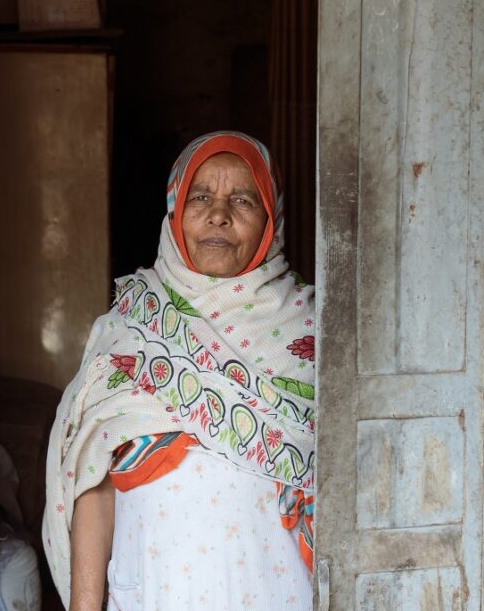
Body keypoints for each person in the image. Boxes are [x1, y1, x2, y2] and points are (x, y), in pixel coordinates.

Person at [43, 131, 316, 610]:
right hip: (155, 588)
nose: (219, 213)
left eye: (244, 200)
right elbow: (93, 481)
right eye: (201, 196)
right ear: (174, 213)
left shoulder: (311, 331)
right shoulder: (131, 328)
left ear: (271, 219)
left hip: (275, 591)